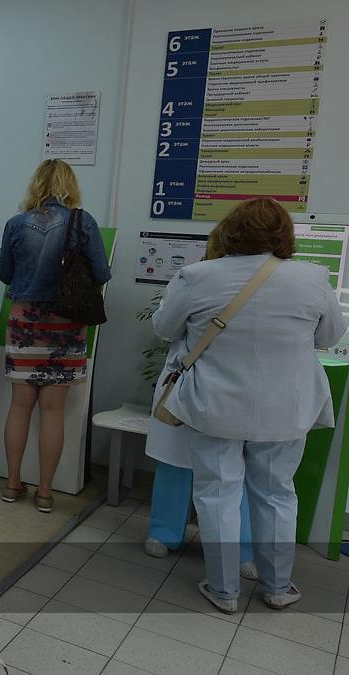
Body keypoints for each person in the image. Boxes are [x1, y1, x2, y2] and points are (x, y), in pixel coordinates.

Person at [152, 198, 346, 613]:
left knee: (217, 493)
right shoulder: (312, 278)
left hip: (213, 406)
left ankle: (223, 590)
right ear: (285, 235)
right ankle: (278, 587)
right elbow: (329, 336)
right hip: (286, 408)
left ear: (230, 230)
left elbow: (164, 328)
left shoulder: (197, 276)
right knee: (277, 494)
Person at [0, 159, 111, 513]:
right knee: (53, 411)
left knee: (19, 406)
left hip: (25, 322)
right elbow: (101, 273)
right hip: (66, 323)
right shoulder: (82, 221)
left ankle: (12, 484)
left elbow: (5, 274)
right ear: (69, 185)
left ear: (36, 184)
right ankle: (45, 492)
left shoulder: (16, 223)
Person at [144, 341, 258, 583]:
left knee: (234, 473)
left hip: (238, 381)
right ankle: (164, 532)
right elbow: (165, 326)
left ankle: (240, 549)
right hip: (188, 373)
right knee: (175, 461)